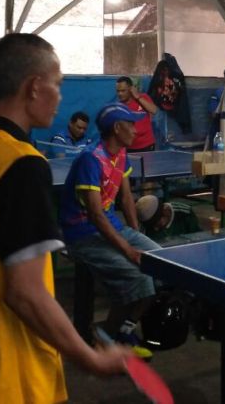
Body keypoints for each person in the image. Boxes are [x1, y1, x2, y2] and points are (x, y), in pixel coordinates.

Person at [0, 34, 130, 404]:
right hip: (0, 369)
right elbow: (26, 293)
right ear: (34, 87)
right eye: (57, 84)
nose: (60, 96)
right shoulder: (19, 162)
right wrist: (91, 358)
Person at [60, 103, 161, 359]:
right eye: (131, 125)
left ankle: (124, 331)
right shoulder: (91, 159)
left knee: (162, 263)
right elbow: (95, 215)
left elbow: (126, 198)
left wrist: (136, 236)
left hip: (112, 226)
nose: (136, 130)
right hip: (82, 234)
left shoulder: (121, 153)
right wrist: (129, 250)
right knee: (140, 279)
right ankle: (105, 337)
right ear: (117, 128)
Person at [115, 76, 157, 152]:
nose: (120, 94)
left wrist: (138, 97)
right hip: (128, 148)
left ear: (131, 89)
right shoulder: (118, 106)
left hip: (147, 146)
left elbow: (154, 110)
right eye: (118, 91)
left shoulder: (143, 97)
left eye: (123, 91)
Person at [135, 195, 201, 243]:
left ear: (165, 211)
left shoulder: (185, 213)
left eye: (156, 224)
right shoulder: (143, 229)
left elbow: (198, 237)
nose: (155, 229)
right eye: (151, 226)